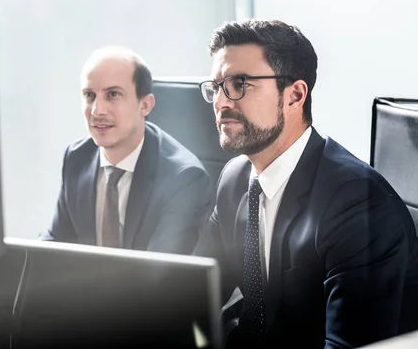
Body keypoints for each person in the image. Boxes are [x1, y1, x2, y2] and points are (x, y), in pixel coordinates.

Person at [193, 19, 418, 348]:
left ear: (295, 95)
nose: (221, 102)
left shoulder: (357, 203)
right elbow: (194, 296)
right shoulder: (235, 179)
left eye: (240, 84)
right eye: (216, 86)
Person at [41, 46, 213, 255]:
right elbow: (56, 243)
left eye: (113, 94)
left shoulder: (183, 179)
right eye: (89, 95)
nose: (97, 110)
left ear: (145, 105)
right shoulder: (77, 157)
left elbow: (162, 277)